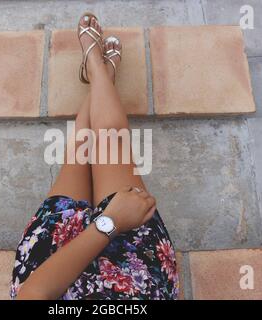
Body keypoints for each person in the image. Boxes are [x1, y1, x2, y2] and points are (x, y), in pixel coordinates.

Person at [10, 13, 179, 300]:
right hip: (136, 271)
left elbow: (33, 294)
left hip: (52, 269)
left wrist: (108, 222)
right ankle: (101, 74)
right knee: (110, 137)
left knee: (80, 151)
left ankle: (97, 69)